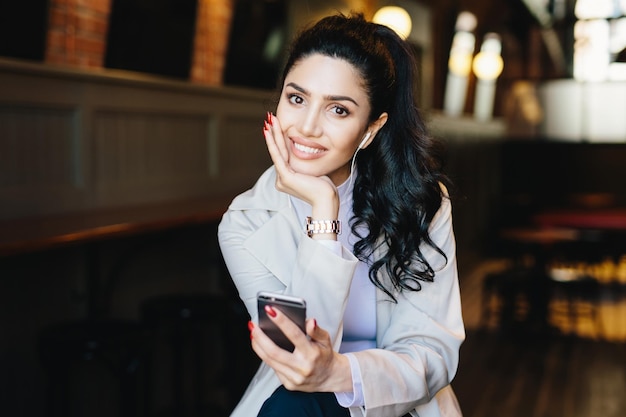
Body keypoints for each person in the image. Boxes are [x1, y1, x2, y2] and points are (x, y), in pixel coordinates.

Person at [218, 12, 465, 417]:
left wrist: (342, 373)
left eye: (338, 110)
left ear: (371, 128)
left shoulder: (421, 203)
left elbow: (433, 351)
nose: (307, 127)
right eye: (296, 99)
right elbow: (300, 354)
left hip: (401, 406)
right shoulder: (245, 222)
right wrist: (324, 211)